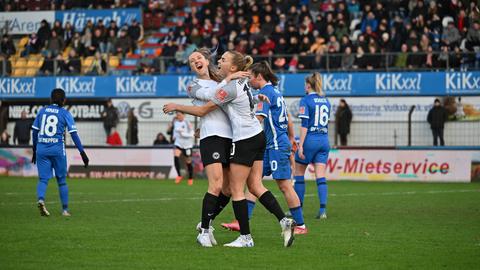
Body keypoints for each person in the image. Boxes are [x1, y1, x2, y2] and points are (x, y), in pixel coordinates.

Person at [163, 50, 295, 248]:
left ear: (207, 61)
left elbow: (206, 107)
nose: (218, 61)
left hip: (242, 139)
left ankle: (243, 237)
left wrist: (176, 106)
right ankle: (284, 220)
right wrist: (256, 96)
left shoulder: (227, 84)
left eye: (222, 59)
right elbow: (217, 99)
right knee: (252, 186)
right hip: (250, 136)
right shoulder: (197, 85)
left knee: (234, 188)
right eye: (191, 61)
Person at [221, 61, 307, 235]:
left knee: (284, 185)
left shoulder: (265, 92)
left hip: (275, 145)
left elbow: (258, 120)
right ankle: (241, 221)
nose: (249, 81)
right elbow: (288, 118)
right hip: (270, 145)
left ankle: (300, 225)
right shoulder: (276, 92)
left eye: (251, 77)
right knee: (254, 182)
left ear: (259, 76)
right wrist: (291, 136)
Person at [31, 88, 89, 217]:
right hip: (57, 150)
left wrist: (34, 149)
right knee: (61, 180)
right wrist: (82, 153)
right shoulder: (65, 113)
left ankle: (41, 199)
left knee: (43, 179)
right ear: (64, 100)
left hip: (42, 149)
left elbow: (34, 131)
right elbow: (73, 134)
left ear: (51, 99)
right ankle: (65, 210)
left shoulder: (42, 111)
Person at [293, 73, 331, 219]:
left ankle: (298, 209)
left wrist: (301, 145)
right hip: (324, 141)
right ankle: (322, 211)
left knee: (299, 174)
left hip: (310, 140)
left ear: (309, 85)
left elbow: (304, 126)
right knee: (320, 176)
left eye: (305, 84)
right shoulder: (326, 101)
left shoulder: (305, 100)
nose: (304, 87)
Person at [171, 112, 194, 185]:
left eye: (179, 115)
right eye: (177, 115)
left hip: (187, 145)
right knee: (176, 157)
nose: (178, 116)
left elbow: (192, 134)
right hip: (178, 144)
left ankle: (190, 178)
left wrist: (183, 134)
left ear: (184, 115)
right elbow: (175, 130)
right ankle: (179, 175)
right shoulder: (176, 122)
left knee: (188, 161)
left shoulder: (187, 122)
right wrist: (174, 136)